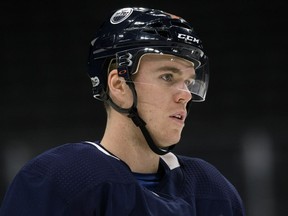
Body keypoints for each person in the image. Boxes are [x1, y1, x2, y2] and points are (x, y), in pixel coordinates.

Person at [0, 7, 245, 216]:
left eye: (189, 82)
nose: (185, 94)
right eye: (168, 76)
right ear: (118, 85)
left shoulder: (212, 191)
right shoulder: (60, 180)